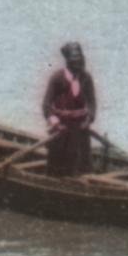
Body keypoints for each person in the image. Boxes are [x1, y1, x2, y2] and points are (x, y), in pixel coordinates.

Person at [41, 41, 97, 178]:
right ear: (68, 61)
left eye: (80, 61)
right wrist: (54, 121)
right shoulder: (57, 78)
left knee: (80, 168)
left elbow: (92, 103)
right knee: (56, 167)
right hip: (61, 128)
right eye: (75, 62)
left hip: (80, 129)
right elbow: (46, 105)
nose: (79, 64)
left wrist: (89, 118)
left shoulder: (86, 78)